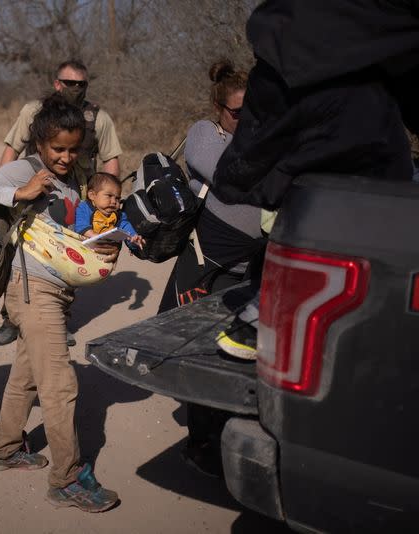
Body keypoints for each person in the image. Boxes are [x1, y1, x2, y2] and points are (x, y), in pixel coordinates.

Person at [211, 1, 419, 358]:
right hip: (324, 79)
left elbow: (378, 50)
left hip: (297, 64)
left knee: (331, 193)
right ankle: (271, 316)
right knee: (366, 196)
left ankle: (270, 302)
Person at [0, 94, 121, 513]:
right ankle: (67, 480)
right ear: (39, 144)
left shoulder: (73, 179)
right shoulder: (28, 168)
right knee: (60, 385)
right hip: (32, 291)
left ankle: (5, 448)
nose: (66, 157)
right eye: (57, 149)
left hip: (56, 292)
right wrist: (21, 190)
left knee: (27, 377)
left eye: (73, 148)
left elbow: (69, 233)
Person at [156, 60, 264, 476]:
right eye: (238, 112)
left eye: (253, 109)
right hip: (206, 264)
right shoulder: (204, 134)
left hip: (248, 266)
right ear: (219, 109)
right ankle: (201, 443)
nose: (246, 118)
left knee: (235, 351)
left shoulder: (261, 139)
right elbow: (228, 177)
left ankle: (226, 434)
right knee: (200, 347)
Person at [0, 59, 123, 347]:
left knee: (68, 257)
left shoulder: (97, 118)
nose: (75, 89)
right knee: (19, 253)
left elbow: (111, 160)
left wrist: (109, 200)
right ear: (57, 83)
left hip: (78, 196)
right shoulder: (33, 111)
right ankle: (11, 317)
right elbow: (11, 148)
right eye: (69, 83)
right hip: (35, 190)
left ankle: (57, 317)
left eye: (81, 84)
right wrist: (7, 189)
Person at [74, 172, 145, 250]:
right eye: (109, 196)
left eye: (117, 198)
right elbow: (81, 227)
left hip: (106, 253)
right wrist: (97, 238)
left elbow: (127, 232)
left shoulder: (118, 215)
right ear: (92, 195)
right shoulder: (84, 208)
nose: (114, 201)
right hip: (84, 249)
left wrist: (134, 239)